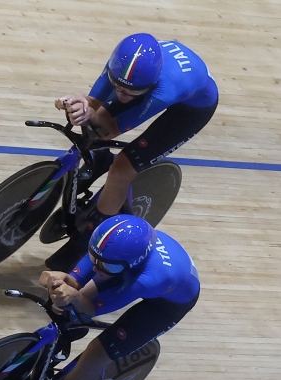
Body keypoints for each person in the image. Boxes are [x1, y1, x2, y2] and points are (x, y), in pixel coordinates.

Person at [8, 215, 199, 380]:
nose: (97, 268)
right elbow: (77, 279)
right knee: (69, 300)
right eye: (93, 258)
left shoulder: (149, 279)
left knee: (95, 355)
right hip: (125, 265)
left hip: (166, 304)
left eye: (106, 265)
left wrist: (75, 296)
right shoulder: (108, 252)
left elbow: (92, 309)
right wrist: (58, 280)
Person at [46, 33, 218, 270]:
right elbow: (93, 104)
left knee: (122, 168)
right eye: (117, 86)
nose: (121, 95)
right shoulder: (121, 65)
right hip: (147, 78)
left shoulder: (163, 91)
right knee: (93, 124)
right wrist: (78, 103)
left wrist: (92, 114)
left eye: (128, 93)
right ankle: (100, 158)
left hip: (192, 108)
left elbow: (111, 127)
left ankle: (93, 232)